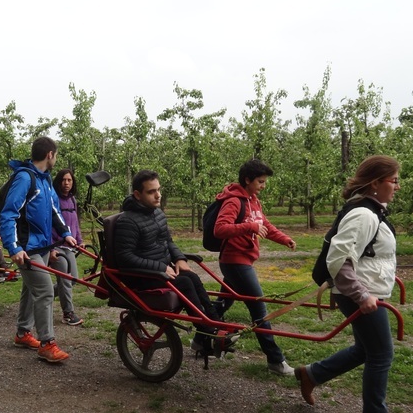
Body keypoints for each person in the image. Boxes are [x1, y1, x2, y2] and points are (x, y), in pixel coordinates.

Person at [293, 155, 410, 413]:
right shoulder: (364, 214)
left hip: (366, 290)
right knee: (381, 354)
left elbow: (366, 255)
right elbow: (339, 260)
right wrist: (361, 296)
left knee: (365, 349)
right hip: (358, 294)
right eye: (394, 180)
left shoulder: (372, 211)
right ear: (375, 183)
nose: (398, 186)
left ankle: (311, 375)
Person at [114, 169, 236, 355]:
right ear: (137, 195)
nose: (158, 195)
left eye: (159, 190)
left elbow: (168, 242)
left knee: (191, 276)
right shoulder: (128, 222)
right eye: (151, 191)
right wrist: (161, 266)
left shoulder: (157, 214)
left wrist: (179, 258)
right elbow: (124, 258)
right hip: (140, 275)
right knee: (186, 282)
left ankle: (214, 322)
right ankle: (207, 333)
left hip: (160, 272)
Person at [213, 159, 297, 376]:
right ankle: (275, 361)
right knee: (260, 310)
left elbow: (265, 225)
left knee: (223, 304)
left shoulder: (253, 200)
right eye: (260, 181)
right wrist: (249, 227)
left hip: (243, 260)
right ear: (247, 180)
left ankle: (200, 340)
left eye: (264, 181)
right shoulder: (234, 201)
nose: (263, 185)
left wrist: (284, 239)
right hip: (235, 261)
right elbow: (220, 229)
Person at [0, 136, 76, 363]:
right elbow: (8, 213)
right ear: (50, 154)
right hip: (27, 248)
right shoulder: (25, 178)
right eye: (56, 155)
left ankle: (22, 333)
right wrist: (13, 247)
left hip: (41, 245)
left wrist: (66, 234)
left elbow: (53, 209)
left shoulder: (45, 178)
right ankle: (47, 343)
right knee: (45, 291)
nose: (56, 159)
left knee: (30, 289)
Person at [50, 168, 84, 326]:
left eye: (69, 180)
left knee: (73, 279)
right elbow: (48, 223)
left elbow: (75, 221)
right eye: (63, 180)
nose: (66, 183)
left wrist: (79, 239)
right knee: (65, 279)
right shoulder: (53, 199)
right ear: (58, 181)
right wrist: (50, 248)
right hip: (56, 245)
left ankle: (45, 292)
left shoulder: (72, 200)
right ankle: (68, 313)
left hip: (69, 245)